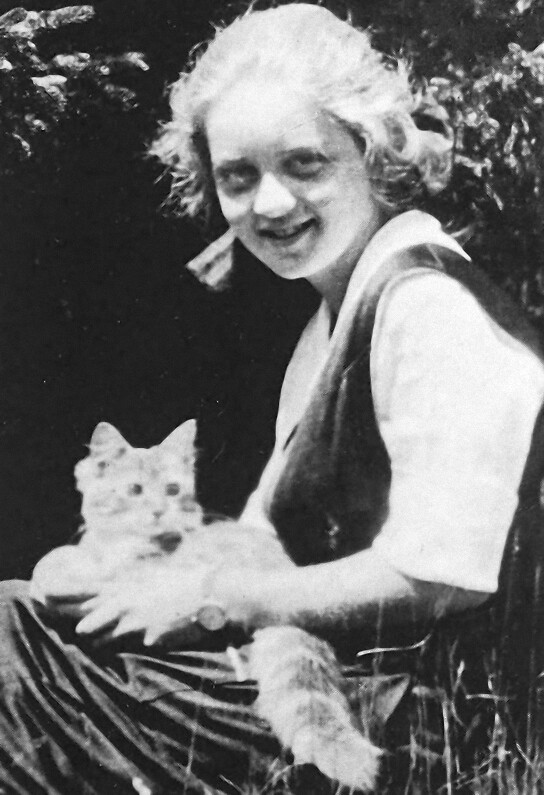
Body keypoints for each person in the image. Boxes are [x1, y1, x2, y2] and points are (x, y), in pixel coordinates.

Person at [1, 4, 543, 793]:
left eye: (305, 163)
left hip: (413, 722)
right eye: (239, 176)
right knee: (25, 612)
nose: (272, 204)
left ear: (372, 150)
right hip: (329, 678)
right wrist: (108, 573)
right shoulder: (332, 319)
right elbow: (263, 542)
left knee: (12, 651)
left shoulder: (428, 305)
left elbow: (442, 576)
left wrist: (215, 599)